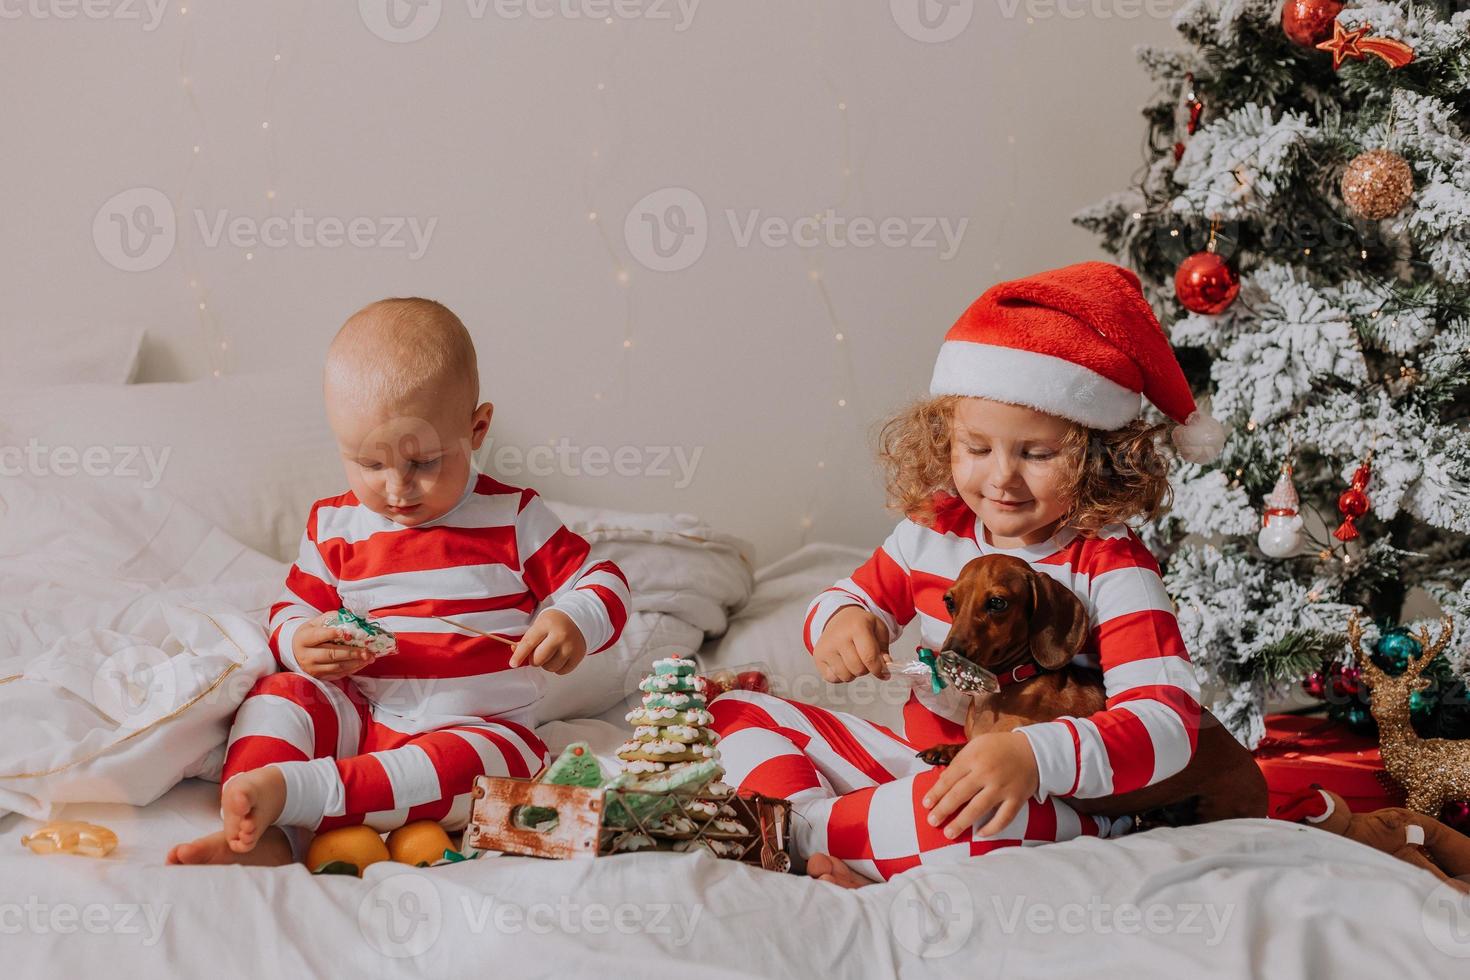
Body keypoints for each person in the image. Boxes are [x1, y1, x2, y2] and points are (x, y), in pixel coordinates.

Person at [710, 262, 1225, 886]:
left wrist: (1036, 758)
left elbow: (1169, 722)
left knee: (970, 825)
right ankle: (834, 830)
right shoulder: (933, 529)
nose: (1001, 478)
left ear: (1099, 459)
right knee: (735, 710)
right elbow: (851, 596)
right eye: (976, 449)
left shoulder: (1112, 563)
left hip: (1048, 802)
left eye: (1037, 453)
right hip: (925, 766)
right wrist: (844, 620)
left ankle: (795, 832)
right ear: (943, 438)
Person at [169, 297, 630, 865]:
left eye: (424, 463)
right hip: (364, 717)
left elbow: (603, 579)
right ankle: (253, 823)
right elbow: (290, 609)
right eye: (369, 464)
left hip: (477, 728)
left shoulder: (513, 519)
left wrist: (573, 619)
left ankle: (293, 797)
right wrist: (298, 642)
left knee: (484, 769)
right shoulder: (335, 527)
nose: (396, 489)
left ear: (476, 428)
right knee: (280, 694)